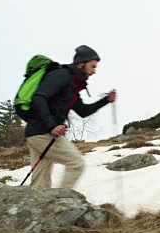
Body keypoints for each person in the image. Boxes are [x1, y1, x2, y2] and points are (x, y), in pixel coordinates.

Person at [23, 45, 116, 189]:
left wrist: (106, 100)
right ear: (81, 63)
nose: (94, 71)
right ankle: (61, 200)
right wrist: (52, 126)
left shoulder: (71, 85)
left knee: (40, 185)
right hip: (43, 133)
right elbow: (39, 97)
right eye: (92, 66)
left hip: (36, 133)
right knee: (77, 163)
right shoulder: (62, 76)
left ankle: (42, 208)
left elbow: (83, 111)